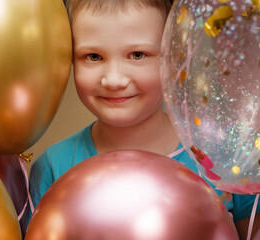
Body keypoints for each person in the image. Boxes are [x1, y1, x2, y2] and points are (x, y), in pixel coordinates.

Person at [26, 0, 260, 239]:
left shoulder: (224, 156)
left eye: (137, 55)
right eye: (93, 56)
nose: (114, 80)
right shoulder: (52, 168)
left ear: (174, 56)